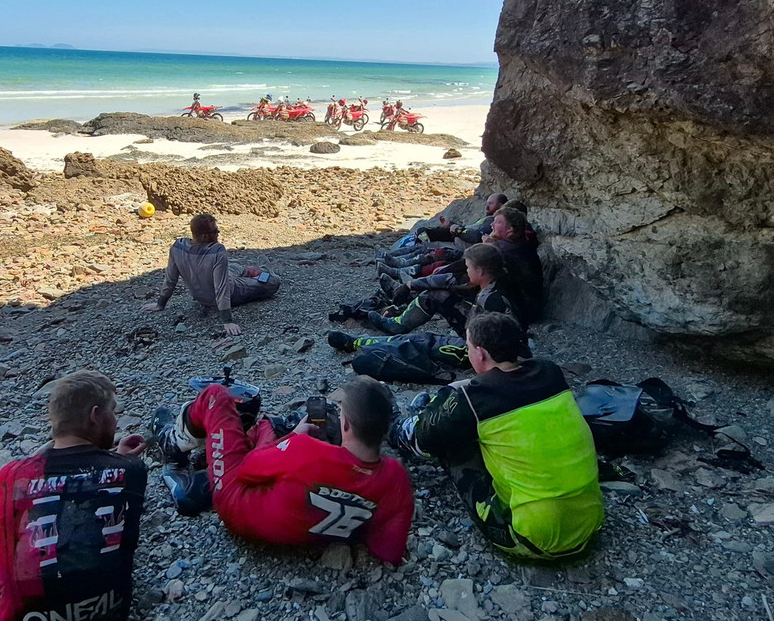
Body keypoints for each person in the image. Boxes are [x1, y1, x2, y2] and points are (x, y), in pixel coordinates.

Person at [0, 370, 148, 621]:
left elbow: (7, 552)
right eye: (113, 412)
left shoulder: (14, 475)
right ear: (95, 416)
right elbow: (92, 478)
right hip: (109, 611)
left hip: (19, 615)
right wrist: (118, 458)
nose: (115, 419)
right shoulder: (131, 470)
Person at [391, 313, 602, 559]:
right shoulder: (550, 372)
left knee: (453, 440)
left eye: (468, 347)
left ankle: (411, 418)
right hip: (589, 522)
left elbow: (423, 440)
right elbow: (504, 385)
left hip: (533, 537)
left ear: (479, 353)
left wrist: (397, 424)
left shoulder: (475, 400)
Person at [153, 376, 414, 564]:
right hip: (304, 525)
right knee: (265, 432)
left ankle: (172, 441)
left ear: (345, 426)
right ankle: (211, 468)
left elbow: (246, 468)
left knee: (216, 396)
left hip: (235, 508)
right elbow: (390, 551)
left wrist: (290, 440)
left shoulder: (306, 450)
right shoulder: (395, 478)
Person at [143, 213, 280, 336]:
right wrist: (227, 320)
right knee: (273, 281)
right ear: (204, 236)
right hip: (230, 291)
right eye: (215, 231)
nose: (218, 233)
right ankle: (265, 272)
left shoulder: (178, 247)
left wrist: (160, 304)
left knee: (234, 266)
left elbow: (170, 279)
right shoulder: (217, 251)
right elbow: (221, 288)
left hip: (201, 294)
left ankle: (249, 271)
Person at [366, 243, 521, 336]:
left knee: (427, 343)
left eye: (468, 268)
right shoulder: (489, 282)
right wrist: (409, 286)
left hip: (482, 347)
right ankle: (398, 322)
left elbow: (505, 337)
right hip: (478, 331)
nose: (466, 271)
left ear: (480, 271)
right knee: (436, 294)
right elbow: (447, 281)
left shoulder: (494, 299)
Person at [485, 207, 543, 323]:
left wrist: (487, 248)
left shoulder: (504, 248)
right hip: (531, 306)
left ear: (510, 230)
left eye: (497, 222)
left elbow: (473, 264)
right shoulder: (522, 244)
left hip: (519, 310)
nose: (492, 225)